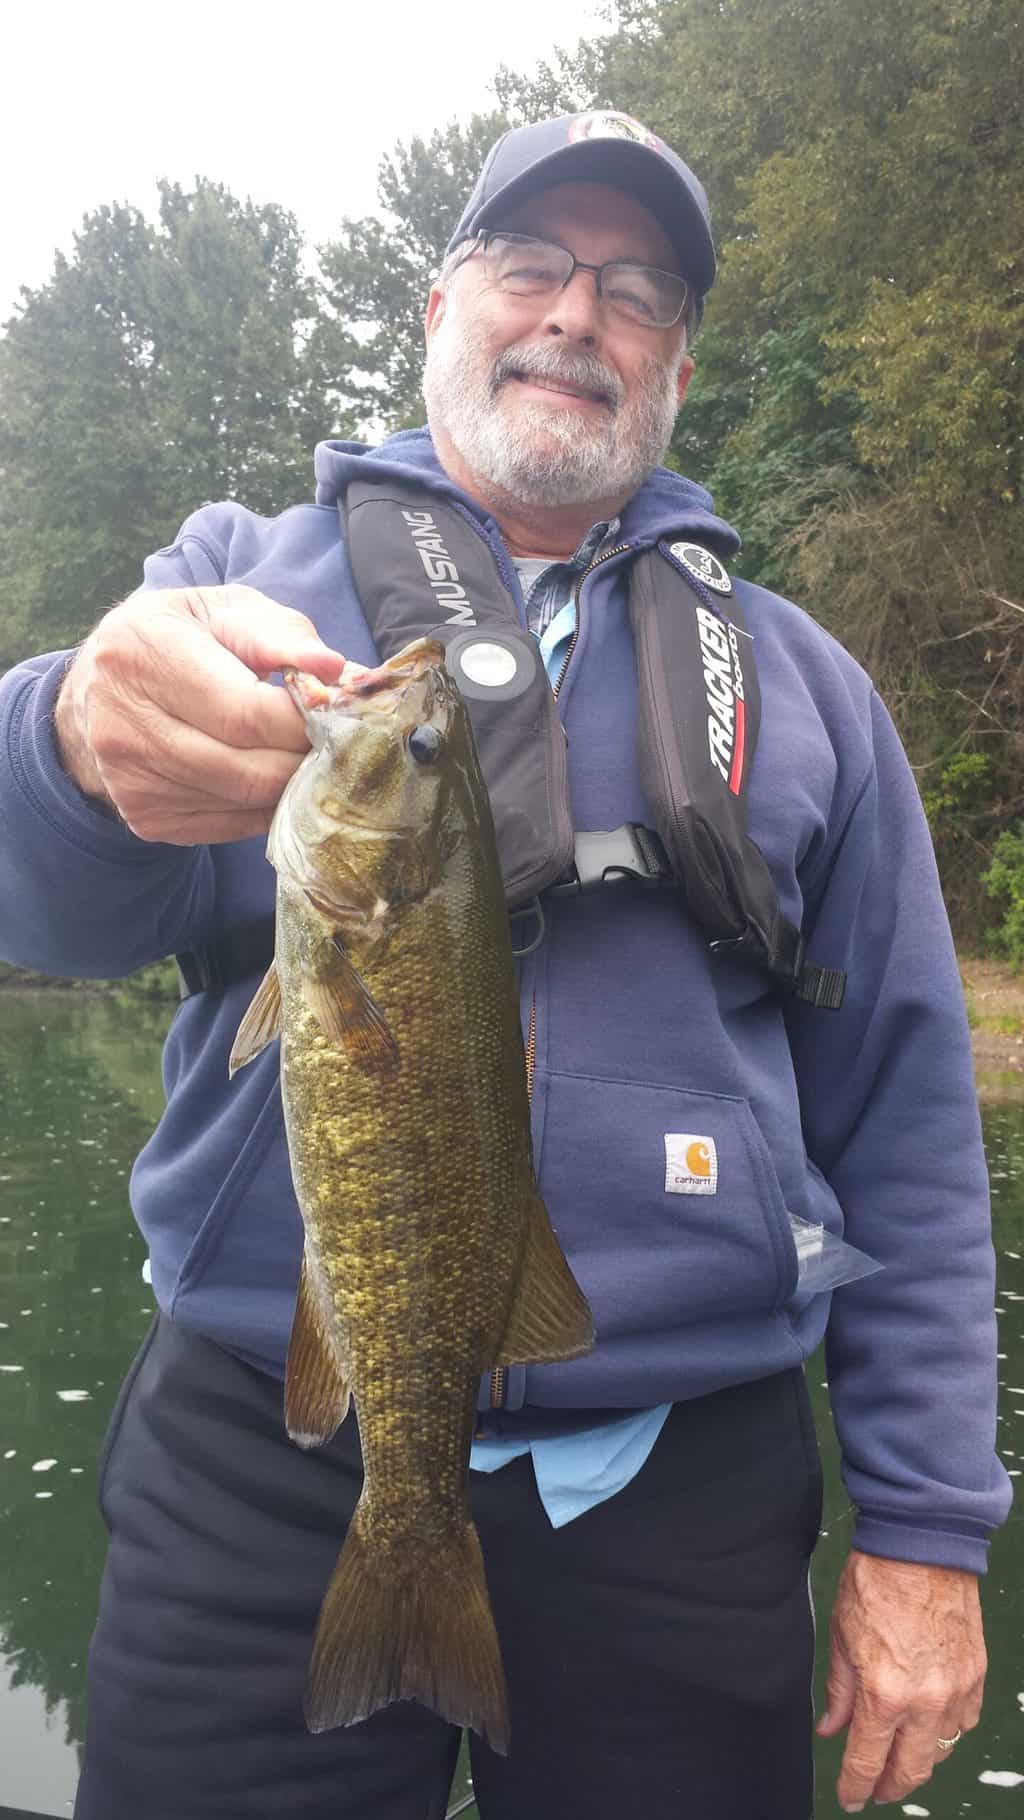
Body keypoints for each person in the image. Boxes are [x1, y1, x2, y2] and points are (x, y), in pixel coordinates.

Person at [0, 111, 1011, 1820]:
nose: (574, 316)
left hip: (685, 1480)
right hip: (268, 1445)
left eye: (633, 290)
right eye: (530, 263)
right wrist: (72, 742)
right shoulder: (236, 586)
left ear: (678, 361)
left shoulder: (803, 682)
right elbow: (47, 909)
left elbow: (912, 1130)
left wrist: (922, 1528)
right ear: (436, 303)